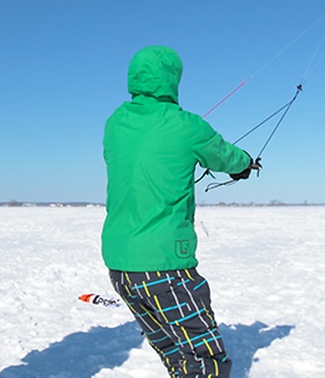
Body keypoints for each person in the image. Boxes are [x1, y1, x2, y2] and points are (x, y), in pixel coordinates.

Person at [102, 46, 259, 377]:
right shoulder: (186, 125)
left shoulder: (115, 123)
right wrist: (245, 163)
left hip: (121, 266)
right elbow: (224, 156)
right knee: (203, 359)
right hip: (164, 266)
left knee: (175, 351)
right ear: (172, 80)